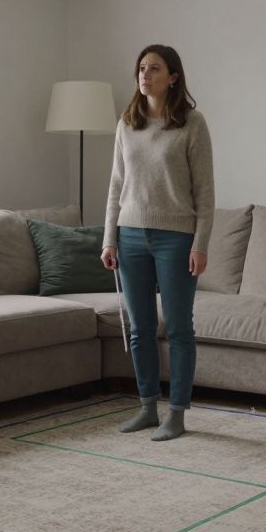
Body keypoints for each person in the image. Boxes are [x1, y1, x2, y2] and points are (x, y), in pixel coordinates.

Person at [100, 44, 214, 441]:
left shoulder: (191, 124)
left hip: (177, 239)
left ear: (173, 77)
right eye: (141, 68)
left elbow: (205, 192)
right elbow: (116, 186)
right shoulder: (126, 124)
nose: (145, 75)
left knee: (179, 328)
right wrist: (108, 239)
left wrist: (200, 244)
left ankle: (177, 413)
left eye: (155, 68)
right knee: (140, 328)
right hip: (129, 237)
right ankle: (148, 407)